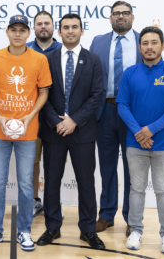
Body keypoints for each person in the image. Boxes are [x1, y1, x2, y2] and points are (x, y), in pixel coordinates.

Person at [0, 15, 52, 251]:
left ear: (28, 33)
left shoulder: (39, 59)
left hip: (28, 132)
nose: (18, 34)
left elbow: (43, 93)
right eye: (14, 29)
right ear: (7, 32)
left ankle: (24, 231)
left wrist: (29, 117)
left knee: (25, 185)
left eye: (22, 30)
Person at [37, 14, 105, 250]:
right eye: (65, 27)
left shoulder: (93, 60)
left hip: (83, 132)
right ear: (59, 31)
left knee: (86, 183)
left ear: (82, 30)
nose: (70, 31)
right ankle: (52, 227)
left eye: (74, 27)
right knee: (52, 182)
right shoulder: (47, 59)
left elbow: (97, 95)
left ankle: (88, 230)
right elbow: (42, 95)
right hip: (53, 131)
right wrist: (57, 121)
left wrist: (74, 120)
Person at [117, 27, 164, 254]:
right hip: (135, 144)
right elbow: (122, 106)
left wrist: (149, 130)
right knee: (137, 189)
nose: (149, 47)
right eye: (145, 43)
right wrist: (139, 133)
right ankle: (136, 231)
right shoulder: (130, 73)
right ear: (140, 47)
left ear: (162, 46)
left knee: (163, 190)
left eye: (154, 43)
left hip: (163, 143)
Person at [89, 1, 142, 236]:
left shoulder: (143, 41)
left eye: (125, 13)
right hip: (105, 111)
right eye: (116, 13)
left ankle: (132, 218)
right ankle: (106, 214)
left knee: (133, 169)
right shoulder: (98, 41)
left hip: (133, 114)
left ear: (132, 17)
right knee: (107, 167)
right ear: (110, 18)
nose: (120, 17)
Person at [26, 10, 62, 218]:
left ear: (53, 26)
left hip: (56, 118)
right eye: (39, 24)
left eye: (46, 23)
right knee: (33, 163)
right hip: (31, 117)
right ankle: (34, 201)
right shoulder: (25, 49)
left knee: (54, 164)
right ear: (34, 28)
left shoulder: (62, 49)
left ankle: (53, 205)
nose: (43, 27)